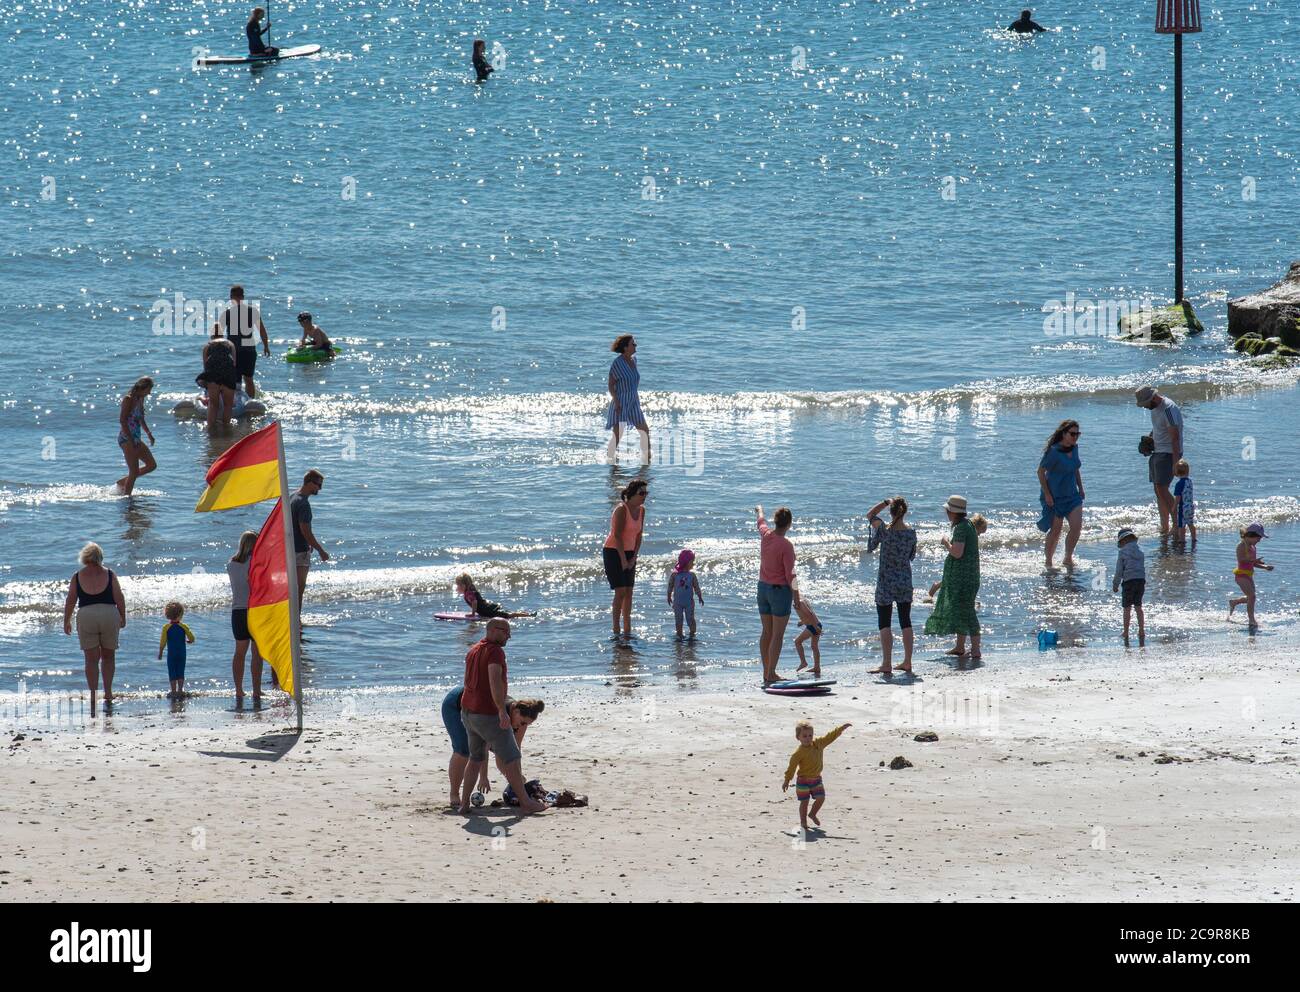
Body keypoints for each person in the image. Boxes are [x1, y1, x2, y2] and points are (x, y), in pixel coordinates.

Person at [458, 619, 547, 814]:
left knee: (475, 758)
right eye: (505, 631)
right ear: (492, 630)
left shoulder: (473, 649)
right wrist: (500, 710)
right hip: (486, 713)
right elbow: (494, 680)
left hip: (468, 712)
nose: (509, 635)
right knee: (512, 757)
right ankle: (525, 802)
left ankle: (464, 804)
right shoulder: (495, 651)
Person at [443, 689, 543, 807]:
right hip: (456, 704)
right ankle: (454, 794)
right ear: (516, 711)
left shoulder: (521, 721)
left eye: (527, 724)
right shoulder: (496, 714)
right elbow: (483, 747)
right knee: (463, 749)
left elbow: (513, 752)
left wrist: (517, 778)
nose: (523, 726)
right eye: (523, 723)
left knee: (505, 751)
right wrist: (483, 777)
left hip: (478, 709)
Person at [62, 543, 125, 716]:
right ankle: (109, 693)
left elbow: (70, 600)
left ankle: (92, 694)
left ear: (84, 557)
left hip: (86, 615)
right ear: (100, 557)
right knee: (108, 656)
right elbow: (119, 596)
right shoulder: (110, 574)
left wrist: (66, 620)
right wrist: (123, 616)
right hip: (108, 613)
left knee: (91, 660)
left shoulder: (77, 576)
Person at [925, 496, 982, 661]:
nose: (946, 513)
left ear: (953, 512)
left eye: (948, 510)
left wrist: (945, 543)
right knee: (962, 611)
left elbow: (957, 553)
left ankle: (976, 649)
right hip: (968, 576)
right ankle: (959, 647)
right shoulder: (968, 524)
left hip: (963, 578)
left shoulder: (961, 528)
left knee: (967, 611)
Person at [867, 497, 918, 676]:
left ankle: (887, 663)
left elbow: (870, 515)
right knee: (906, 620)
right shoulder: (911, 533)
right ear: (904, 512)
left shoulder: (883, 530)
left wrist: (885, 501)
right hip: (904, 580)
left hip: (886, 581)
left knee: (884, 621)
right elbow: (911, 556)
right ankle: (908, 661)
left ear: (891, 512)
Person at [754, 503, 799, 685]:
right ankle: (771, 673)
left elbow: (760, 522)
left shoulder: (766, 535)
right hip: (779, 592)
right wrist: (797, 597)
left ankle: (767, 672)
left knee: (766, 632)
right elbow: (791, 575)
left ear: (776, 522)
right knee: (777, 635)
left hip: (762, 588)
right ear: (789, 524)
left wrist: (759, 510)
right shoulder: (786, 545)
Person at [782, 720, 850, 833]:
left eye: (810, 735)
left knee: (821, 798)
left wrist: (840, 729)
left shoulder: (818, 744)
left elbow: (829, 737)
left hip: (816, 779)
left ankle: (812, 813)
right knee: (804, 801)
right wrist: (787, 780)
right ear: (797, 737)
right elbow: (792, 767)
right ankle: (803, 823)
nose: (808, 738)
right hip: (803, 780)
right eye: (804, 736)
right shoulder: (798, 753)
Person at [1037, 420, 1085, 570]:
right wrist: (1047, 494)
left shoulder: (1075, 448)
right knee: (1056, 531)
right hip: (1055, 497)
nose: (1075, 437)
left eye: (1077, 434)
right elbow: (1040, 472)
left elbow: (1076, 468)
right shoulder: (1053, 452)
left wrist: (1081, 488)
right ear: (1064, 434)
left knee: (1076, 527)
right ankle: (1048, 561)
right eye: (1072, 434)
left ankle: (1067, 557)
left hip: (1072, 496)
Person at [1136, 386, 1184, 536]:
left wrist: (1176, 463)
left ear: (1153, 398)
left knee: (1162, 489)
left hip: (1168, 453)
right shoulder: (1155, 409)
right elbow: (1158, 427)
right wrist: (1150, 437)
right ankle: (1164, 525)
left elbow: (1175, 437)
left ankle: (1177, 524)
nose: (1145, 407)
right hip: (1158, 451)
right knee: (1158, 491)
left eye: (1145, 403)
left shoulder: (1168, 408)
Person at [603, 479, 647, 639]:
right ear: (631, 494)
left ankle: (627, 629)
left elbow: (639, 535)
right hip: (614, 552)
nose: (644, 496)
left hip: (630, 553)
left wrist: (634, 557)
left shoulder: (642, 510)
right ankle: (616, 630)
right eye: (641, 493)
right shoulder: (621, 510)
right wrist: (623, 560)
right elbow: (617, 536)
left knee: (629, 591)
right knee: (620, 591)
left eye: (646, 493)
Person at [212, 285, 271, 398]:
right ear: (243, 297)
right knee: (249, 379)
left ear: (231, 297)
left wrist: (215, 349)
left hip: (233, 351)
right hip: (249, 350)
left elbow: (218, 333)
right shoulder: (252, 311)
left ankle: (234, 403)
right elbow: (262, 330)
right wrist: (266, 346)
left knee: (235, 380)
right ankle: (250, 402)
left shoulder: (227, 313)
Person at [227, 531, 265, 703]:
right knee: (257, 654)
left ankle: (239, 689)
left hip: (238, 611)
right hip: (255, 610)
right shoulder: (256, 564)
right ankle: (256, 690)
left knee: (239, 653)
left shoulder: (231, 564)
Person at [605, 334, 650, 464]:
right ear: (625, 348)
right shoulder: (617, 363)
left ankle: (647, 461)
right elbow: (611, 385)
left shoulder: (634, 360)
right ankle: (610, 461)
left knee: (645, 431)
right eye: (633, 344)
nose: (635, 346)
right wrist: (617, 402)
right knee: (618, 435)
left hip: (634, 401)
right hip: (621, 402)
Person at [290, 470, 329, 612]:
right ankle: (296, 619)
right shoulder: (303, 504)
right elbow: (305, 531)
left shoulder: (292, 496)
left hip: (290, 548)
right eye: (318, 485)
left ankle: (290, 617)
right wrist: (321, 551)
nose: (320, 488)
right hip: (300, 551)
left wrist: (309, 543)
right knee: (299, 589)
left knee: (291, 587)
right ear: (309, 482)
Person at [115, 377, 156, 495]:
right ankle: (127, 498)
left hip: (136, 438)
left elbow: (141, 418)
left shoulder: (140, 398)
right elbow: (122, 420)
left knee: (152, 465)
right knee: (133, 471)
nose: (150, 393)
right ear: (142, 387)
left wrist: (149, 434)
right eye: (149, 389)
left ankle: (123, 482)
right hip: (126, 438)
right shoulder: (128, 399)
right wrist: (131, 439)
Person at [1228, 523, 1272, 629]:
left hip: (1249, 575)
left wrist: (1265, 566)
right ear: (1251, 535)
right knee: (1252, 596)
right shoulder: (1241, 545)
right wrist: (1253, 560)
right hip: (1241, 575)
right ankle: (1251, 620)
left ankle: (1234, 602)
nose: (1259, 540)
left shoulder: (1253, 547)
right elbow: (1241, 559)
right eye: (1258, 538)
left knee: (1251, 597)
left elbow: (1254, 564)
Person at [1112, 529, 1146, 648]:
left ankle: (1126, 631)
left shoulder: (1122, 553)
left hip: (1129, 582)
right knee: (1138, 607)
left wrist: (1115, 585)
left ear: (1123, 540)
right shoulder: (1140, 551)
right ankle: (1141, 630)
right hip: (1141, 581)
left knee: (1127, 608)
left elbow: (1119, 571)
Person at [197, 337, 239, 429]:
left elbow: (205, 366)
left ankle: (211, 432)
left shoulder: (207, 346)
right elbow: (234, 363)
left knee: (213, 405)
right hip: (228, 375)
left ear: (212, 337)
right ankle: (226, 430)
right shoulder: (230, 344)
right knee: (228, 405)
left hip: (213, 376)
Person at [454, 573, 535, 619]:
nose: (457, 587)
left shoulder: (469, 593)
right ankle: (524, 613)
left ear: (464, 585)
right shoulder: (470, 590)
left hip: (488, 611)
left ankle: (529, 615)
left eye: (458, 585)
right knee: (508, 613)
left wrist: (473, 614)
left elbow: (474, 602)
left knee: (508, 615)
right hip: (487, 608)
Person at [158, 601, 196, 698]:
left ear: (167, 615)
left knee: (172, 671)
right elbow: (192, 638)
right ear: (180, 614)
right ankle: (180, 690)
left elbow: (163, 641)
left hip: (171, 654)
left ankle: (173, 691)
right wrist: (189, 641)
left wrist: (160, 652)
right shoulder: (184, 626)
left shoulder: (166, 627)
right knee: (180, 670)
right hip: (182, 654)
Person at [666, 549, 704, 639]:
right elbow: (670, 586)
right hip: (677, 603)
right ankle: (679, 635)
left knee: (690, 619)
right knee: (678, 620)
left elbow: (696, 587)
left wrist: (700, 596)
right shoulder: (675, 575)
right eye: (692, 562)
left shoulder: (692, 575)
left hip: (689, 603)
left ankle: (692, 635)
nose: (693, 564)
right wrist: (668, 596)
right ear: (686, 562)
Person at [792, 599, 823, 677]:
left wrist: (816, 627)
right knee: (814, 646)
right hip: (816, 624)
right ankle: (817, 667)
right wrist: (802, 622)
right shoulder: (801, 601)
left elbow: (810, 614)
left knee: (797, 642)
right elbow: (805, 614)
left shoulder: (800, 602)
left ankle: (803, 662)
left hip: (813, 626)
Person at [1173, 459, 1197, 545]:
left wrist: (1174, 506)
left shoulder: (1179, 484)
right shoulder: (1189, 481)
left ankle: (1182, 539)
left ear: (1176, 472)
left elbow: (1178, 497)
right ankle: (1194, 537)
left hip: (1183, 507)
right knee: (1190, 523)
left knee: (1181, 524)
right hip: (1190, 506)